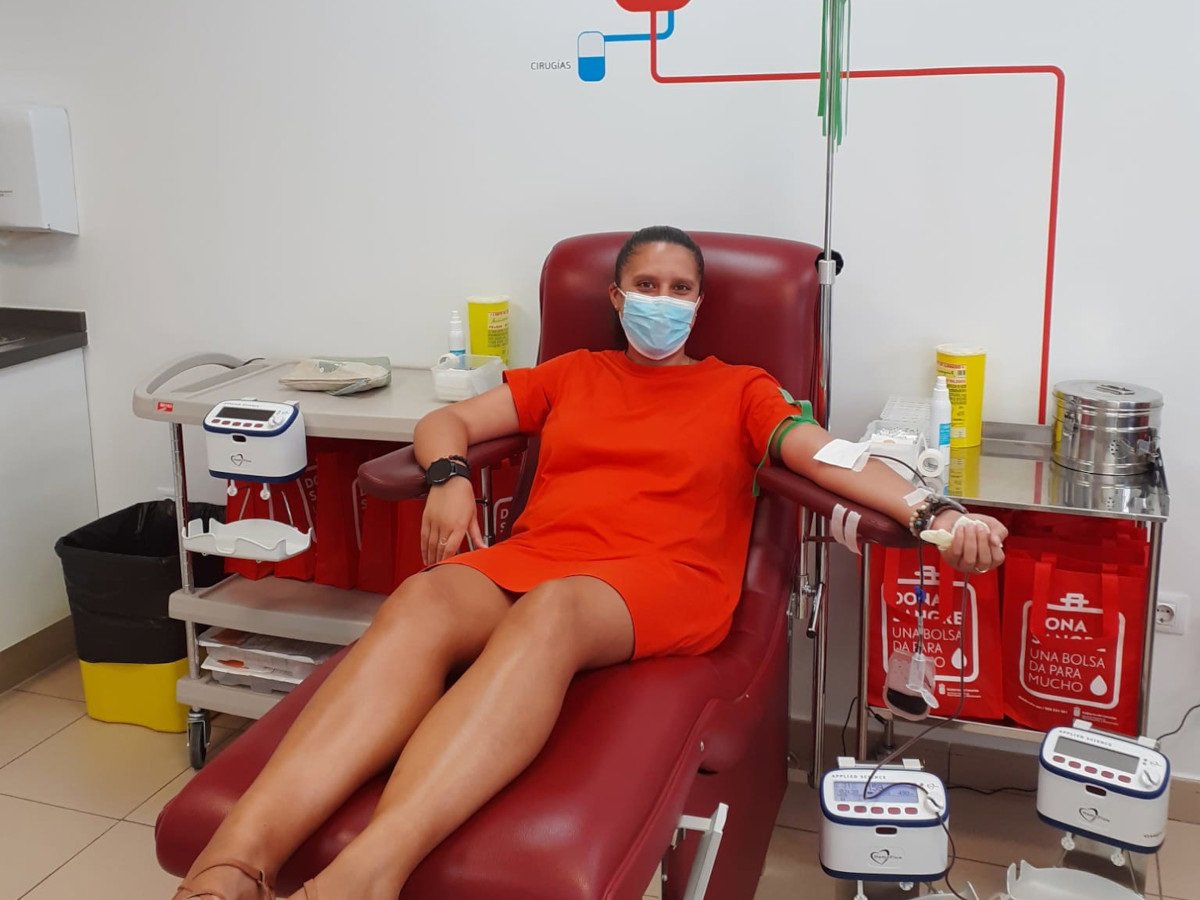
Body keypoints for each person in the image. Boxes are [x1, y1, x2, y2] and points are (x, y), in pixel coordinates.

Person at [172, 226, 1007, 900]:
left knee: (556, 610)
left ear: (700, 303)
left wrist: (933, 511)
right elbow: (445, 424)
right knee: (425, 598)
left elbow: (829, 457)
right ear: (615, 296)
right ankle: (231, 865)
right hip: (543, 554)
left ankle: (366, 874)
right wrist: (450, 479)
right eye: (646, 285)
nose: (662, 301)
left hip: (666, 575)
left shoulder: (743, 389)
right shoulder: (572, 374)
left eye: (680, 289)